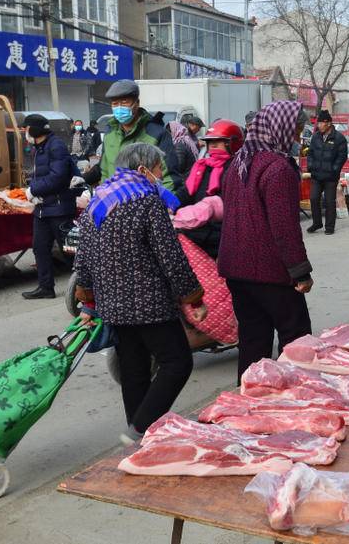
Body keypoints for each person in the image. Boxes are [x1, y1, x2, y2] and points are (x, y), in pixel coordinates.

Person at [74, 143, 206, 443]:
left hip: (114, 306)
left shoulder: (100, 199)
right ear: (143, 168)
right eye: (158, 167)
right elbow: (170, 256)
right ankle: (141, 427)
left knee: (134, 369)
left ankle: (139, 432)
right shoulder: (146, 200)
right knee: (177, 362)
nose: (161, 174)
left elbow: (83, 256)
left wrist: (89, 300)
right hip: (150, 303)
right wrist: (193, 298)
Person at [218, 101, 314, 381]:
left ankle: (246, 402)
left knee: (253, 340)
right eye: (296, 131)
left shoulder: (239, 161)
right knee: (296, 339)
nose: (297, 139)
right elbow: (285, 228)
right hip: (268, 272)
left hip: (236, 269)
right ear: (280, 128)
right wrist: (300, 271)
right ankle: (298, 398)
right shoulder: (278, 168)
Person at [22, 114, 76, 300]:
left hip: (59, 208)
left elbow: (57, 177)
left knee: (69, 250)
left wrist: (33, 189)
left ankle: (87, 285)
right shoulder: (38, 148)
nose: (25, 133)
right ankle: (46, 287)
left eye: (26, 129)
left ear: (35, 130)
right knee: (40, 247)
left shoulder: (56, 146)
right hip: (43, 208)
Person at [88, 79, 177, 188]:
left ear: (137, 103)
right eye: (115, 104)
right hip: (115, 201)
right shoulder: (110, 134)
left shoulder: (157, 134)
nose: (119, 108)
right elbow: (105, 171)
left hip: (146, 202)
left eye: (124, 102)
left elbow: (169, 179)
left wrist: (163, 204)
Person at [174, 119, 243, 258]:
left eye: (218, 141)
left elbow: (233, 203)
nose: (213, 145)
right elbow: (187, 192)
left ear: (233, 143)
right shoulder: (202, 166)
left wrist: (207, 208)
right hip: (197, 233)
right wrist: (170, 203)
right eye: (210, 142)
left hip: (223, 237)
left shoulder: (238, 169)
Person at [306, 109, 348, 235]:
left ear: (328, 123)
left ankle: (329, 227)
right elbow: (310, 153)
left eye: (320, 123)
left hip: (330, 177)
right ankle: (317, 223)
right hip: (316, 175)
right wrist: (311, 166)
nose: (318, 125)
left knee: (329, 202)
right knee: (313, 199)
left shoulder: (339, 138)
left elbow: (342, 157)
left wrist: (334, 169)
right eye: (318, 123)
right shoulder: (316, 137)